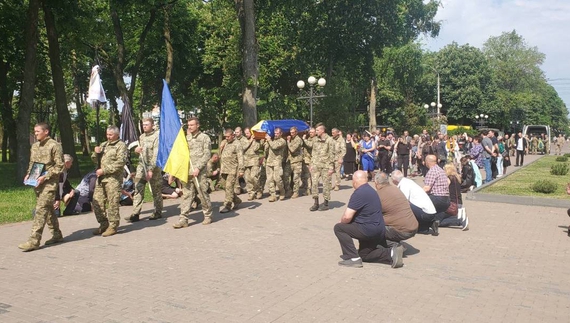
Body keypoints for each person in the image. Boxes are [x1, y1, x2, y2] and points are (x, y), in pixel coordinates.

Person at [333, 170, 404, 268]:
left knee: (339, 228)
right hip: (379, 229)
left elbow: (347, 217)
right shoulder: (372, 191)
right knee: (364, 255)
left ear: (354, 181)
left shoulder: (359, 193)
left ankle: (352, 258)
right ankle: (391, 253)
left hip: (368, 230)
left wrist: (341, 222)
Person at [18, 122, 65, 251]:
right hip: (37, 183)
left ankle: (34, 241)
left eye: (38, 131)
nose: (36, 133)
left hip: (49, 183)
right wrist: (29, 175)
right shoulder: (34, 146)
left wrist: (46, 176)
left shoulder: (54, 145)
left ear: (46, 132)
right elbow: (33, 163)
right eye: (35, 131)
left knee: (40, 209)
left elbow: (60, 166)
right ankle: (57, 234)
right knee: (48, 209)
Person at [174, 117, 213, 228]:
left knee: (202, 194)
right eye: (189, 125)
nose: (190, 127)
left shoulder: (204, 138)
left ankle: (207, 215)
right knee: (187, 195)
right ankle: (183, 219)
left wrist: (198, 168)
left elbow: (207, 155)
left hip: (199, 172)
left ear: (198, 125)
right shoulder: (186, 139)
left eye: (192, 125)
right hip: (187, 172)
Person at [91, 125, 128, 237]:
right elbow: (94, 160)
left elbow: (120, 163)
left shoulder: (121, 146)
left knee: (112, 203)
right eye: (107, 134)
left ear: (117, 135)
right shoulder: (103, 145)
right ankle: (103, 223)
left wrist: (105, 170)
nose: (108, 137)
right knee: (97, 202)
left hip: (113, 179)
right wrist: (95, 153)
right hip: (100, 179)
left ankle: (113, 226)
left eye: (110, 135)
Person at [125, 117, 163, 222]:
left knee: (156, 190)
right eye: (143, 124)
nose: (144, 126)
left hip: (154, 168)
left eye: (147, 124)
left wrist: (151, 169)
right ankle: (135, 213)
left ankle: (158, 211)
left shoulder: (157, 136)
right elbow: (140, 151)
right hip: (142, 166)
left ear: (152, 125)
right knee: (138, 188)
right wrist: (137, 150)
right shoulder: (141, 137)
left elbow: (156, 155)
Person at [374, 172, 418, 246]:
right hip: (413, 226)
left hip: (401, 230)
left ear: (376, 183)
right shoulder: (396, 189)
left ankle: (394, 246)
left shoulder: (379, 195)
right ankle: (395, 243)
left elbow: (372, 213)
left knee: (370, 229)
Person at [391, 170, 438, 235]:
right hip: (429, 212)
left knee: (405, 206)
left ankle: (406, 226)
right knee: (421, 230)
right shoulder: (407, 181)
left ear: (394, 180)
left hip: (425, 213)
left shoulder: (404, 185)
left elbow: (403, 201)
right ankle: (429, 224)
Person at [309, 124, 335, 211]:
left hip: (326, 166)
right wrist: (311, 164)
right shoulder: (315, 140)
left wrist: (331, 167)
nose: (316, 132)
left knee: (326, 185)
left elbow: (332, 154)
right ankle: (316, 203)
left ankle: (326, 203)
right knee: (314, 184)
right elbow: (314, 153)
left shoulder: (330, 140)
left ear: (322, 130)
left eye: (317, 130)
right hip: (316, 165)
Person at [423, 155, 450, 235]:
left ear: (427, 162)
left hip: (436, 198)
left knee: (418, 207)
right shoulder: (440, 170)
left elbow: (426, 188)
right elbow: (449, 182)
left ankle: (422, 228)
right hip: (446, 199)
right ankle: (459, 219)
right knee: (438, 219)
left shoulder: (432, 171)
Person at [219, 128, 244, 213]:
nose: (226, 138)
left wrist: (241, 170)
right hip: (224, 169)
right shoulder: (225, 143)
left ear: (233, 136)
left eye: (228, 137)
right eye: (225, 137)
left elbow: (240, 157)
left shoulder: (237, 144)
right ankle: (236, 200)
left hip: (232, 170)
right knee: (225, 187)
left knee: (229, 187)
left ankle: (227, 205)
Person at [437, 164, 469, 230]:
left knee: (438, 221)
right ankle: (459, 217)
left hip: (452, 203)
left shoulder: (448, 178)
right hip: (459, 202)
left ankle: (459, 220)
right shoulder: (457, 177)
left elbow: (444, 189)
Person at [264, 127, 287, 202]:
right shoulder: (272, 140)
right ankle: (273, 195)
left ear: (281, 133)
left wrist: (269, 140)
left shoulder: (282, 141)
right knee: (269, 179)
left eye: (277, 133)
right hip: (269, 161)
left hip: (277, 162)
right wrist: (267, 142)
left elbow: (274, 147)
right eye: (275, 133)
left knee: (277, 179)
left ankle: (282, 191)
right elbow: (266, 150)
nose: (276, 135)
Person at [243, 128, 262, 200]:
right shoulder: (243, 140)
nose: (246, 134)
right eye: (245, 133)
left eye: (247, 133)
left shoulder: (257, 140)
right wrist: (250, 141)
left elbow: (256, 148)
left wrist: (254, 140)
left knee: (254, 177)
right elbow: (242, 148)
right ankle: (251, 193)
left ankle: (258, 190)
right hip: (246, 162)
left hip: (254, 161)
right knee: (247, 178)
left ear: (251, 133)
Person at [285, 126, 304, 198]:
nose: (292, 134)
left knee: (296, 178)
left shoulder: (298, 139)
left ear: (296, 132)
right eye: (291, 132)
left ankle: (296, 192)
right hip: (290, 161)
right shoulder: (291, 139)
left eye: (293, 132)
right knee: (285, 176)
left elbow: (292, 150)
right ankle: (289, 190)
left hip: (297, 161)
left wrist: (288, 141)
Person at [302, 127, 316, 196]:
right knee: (306, 176)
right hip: (306, 159)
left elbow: (310, 145)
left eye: (312, 132)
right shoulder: (309, 138)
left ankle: (311, 189)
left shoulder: (316, 139)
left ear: (315, 133)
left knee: (311, 176)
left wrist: (304, 139)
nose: (310, 133)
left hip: (312, 160)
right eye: (310, 132)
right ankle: (307, 189)